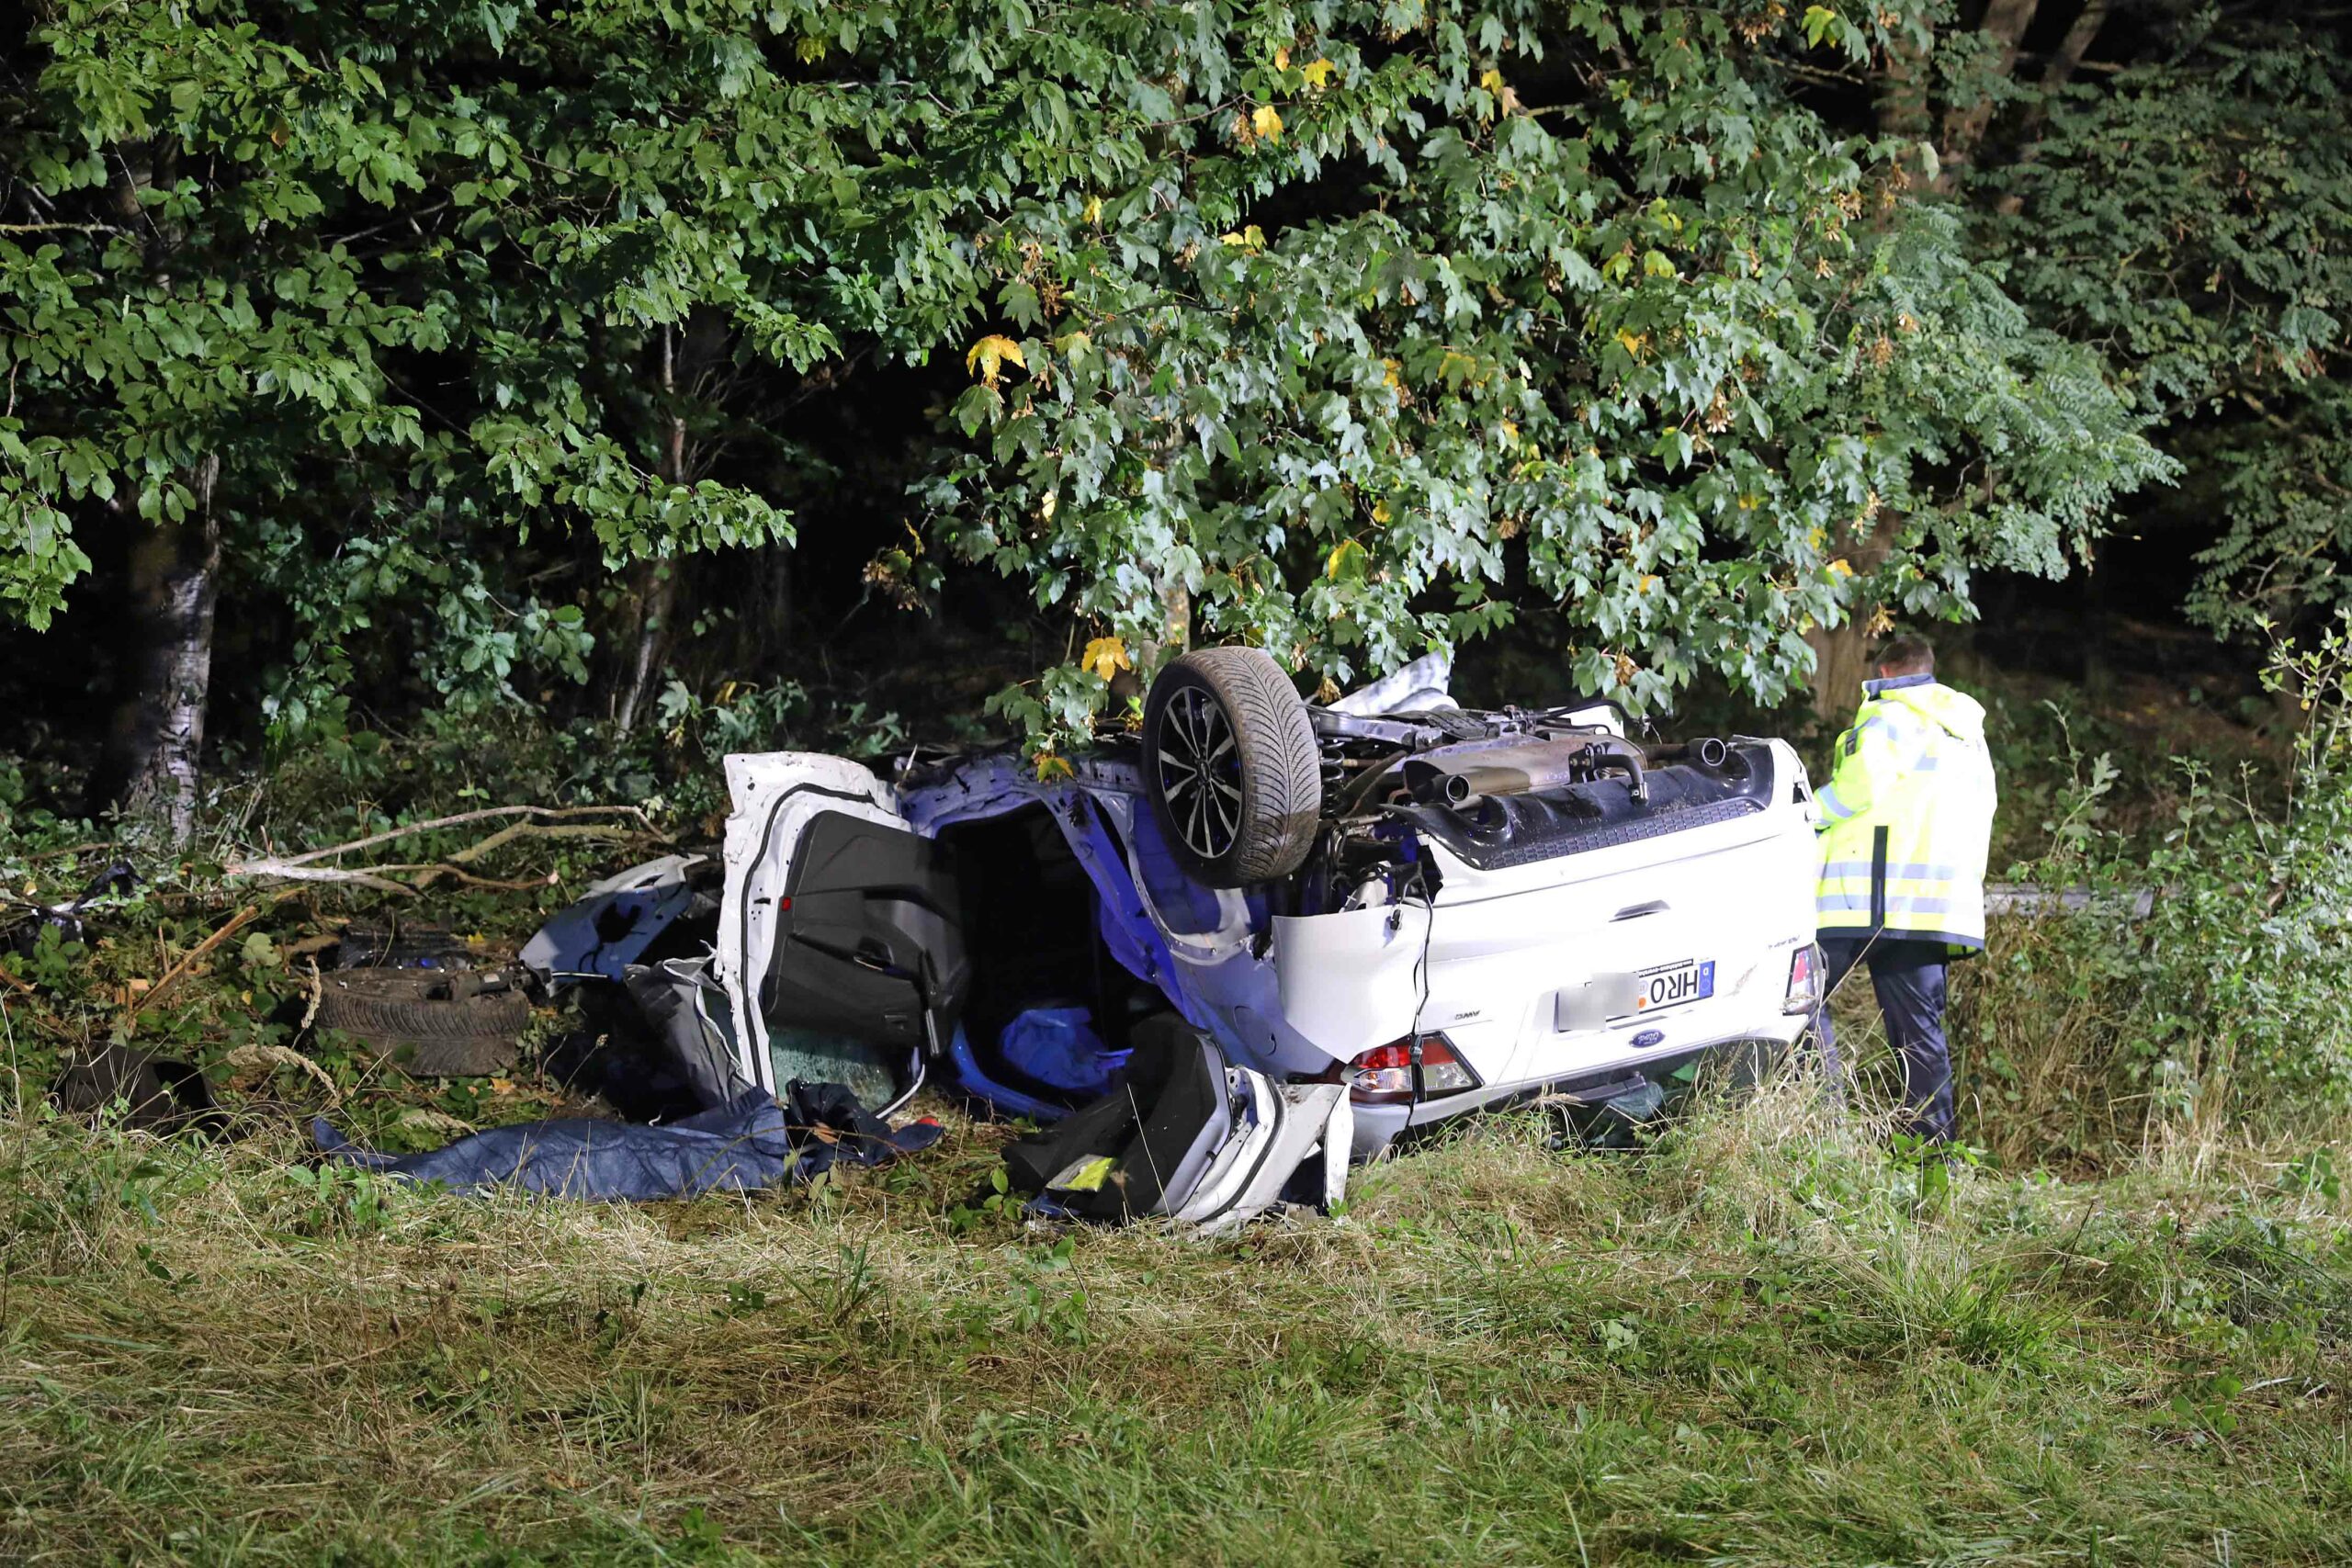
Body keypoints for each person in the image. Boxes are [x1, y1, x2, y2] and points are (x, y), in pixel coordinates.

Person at [1812, 634, 1996, 1144]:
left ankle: (1824, 1138)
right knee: (1920, 1037)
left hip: (1865, 897)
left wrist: (1806, 817)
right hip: (1932, 907)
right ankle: (1933, 1161)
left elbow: (1860, 785)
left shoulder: (1889, 711)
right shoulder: (1967, 735)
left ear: (1887, 672)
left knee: (1796, 1002)